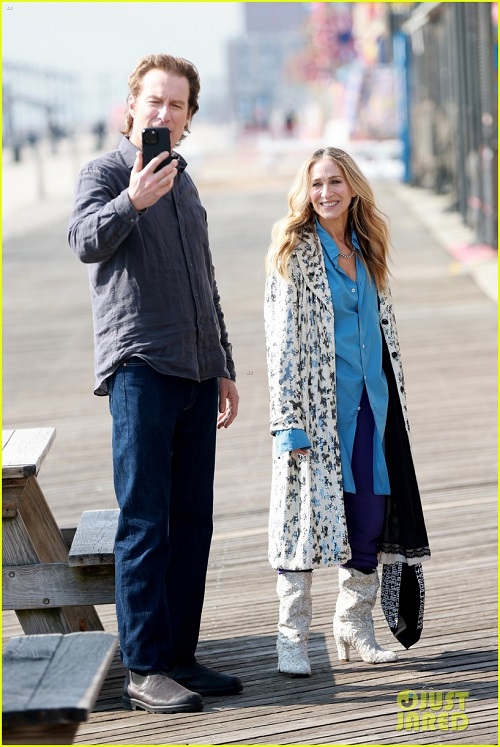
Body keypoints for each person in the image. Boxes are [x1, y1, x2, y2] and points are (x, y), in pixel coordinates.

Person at [68, 54, 242, 713]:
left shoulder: (187, 184)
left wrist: (223, 363)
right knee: (145, 521)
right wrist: (132, 201)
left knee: (192, 522)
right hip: (140, 368)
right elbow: (84, 240)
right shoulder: (106, 172)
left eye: (177, 105)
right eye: (154, 101)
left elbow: (205, 279)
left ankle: (179, 656)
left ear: (189, 118)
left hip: (197, 370)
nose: (164, 112)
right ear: (131, 109)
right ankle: (144, 667)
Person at [264, 147, 430, 677]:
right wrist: (287, 419)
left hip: (373, 407)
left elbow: (385, 333)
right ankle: (292, 637)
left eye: (335, 181)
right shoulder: (294, 251)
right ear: (305, 191)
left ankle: (353, 626)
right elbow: (280, 343)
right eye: (316, 184)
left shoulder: (368, 247)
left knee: (369, 517)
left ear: (353, 186)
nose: (326, 192)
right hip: (317, 412)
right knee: (303, 523)